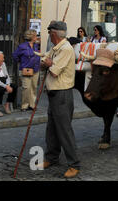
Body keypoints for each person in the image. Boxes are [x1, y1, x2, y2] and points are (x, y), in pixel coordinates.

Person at [40, 21, 80, 178]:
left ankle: (74, 164)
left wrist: (48, 63)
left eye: (49, 32)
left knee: (64, 130)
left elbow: (54, 71)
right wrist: (47, 63)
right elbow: (43, 64)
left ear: (54, 33)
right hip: (53, 93)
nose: (49, 35)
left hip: (62, 94)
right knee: (51, 129)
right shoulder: (56, 49)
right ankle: (52, 157)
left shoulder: (65, 49)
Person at [13, 29, 40, 112]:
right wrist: (22, 62)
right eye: (35, 36)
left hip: (35, 69)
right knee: (26, 88)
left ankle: (32, 105)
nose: (36, 37)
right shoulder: (22, 46)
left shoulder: (35, 46)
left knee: (34, 87)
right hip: (26, 70)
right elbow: (15, 55)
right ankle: (24, 105)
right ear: (31, 37)